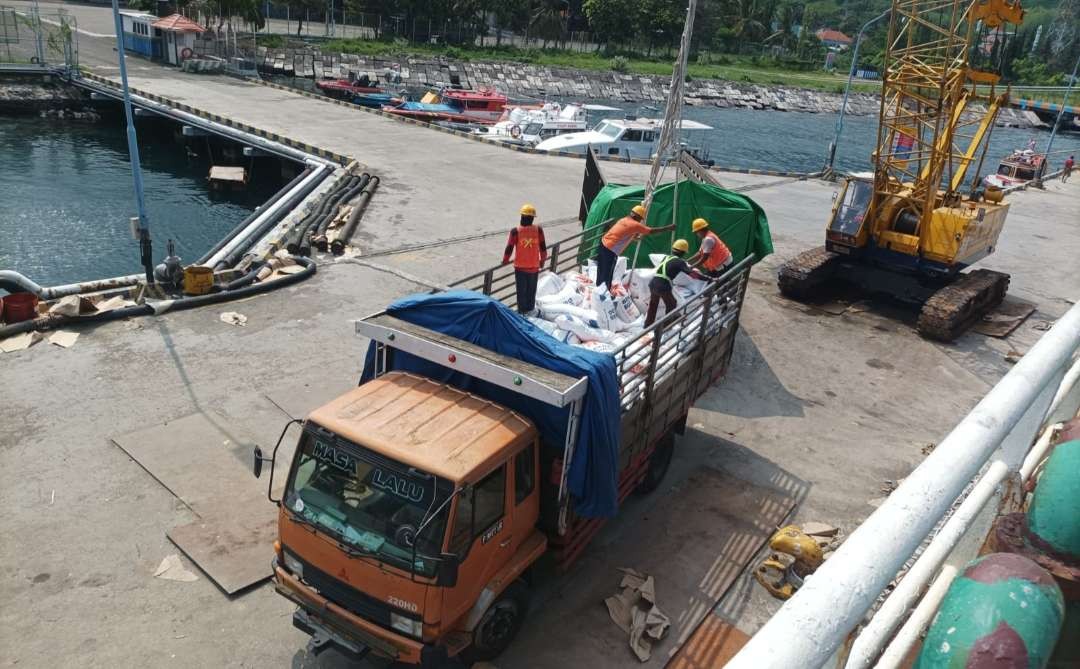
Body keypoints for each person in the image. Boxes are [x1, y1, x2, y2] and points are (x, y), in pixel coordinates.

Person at [596, 203, 675, 290]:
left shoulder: (624, 220)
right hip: (610, 249)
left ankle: (599, 289)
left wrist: (633, 237)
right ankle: (604, 292)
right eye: (640, 219)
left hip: (603, 243)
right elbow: (651, 231)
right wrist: (668, 228)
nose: (640, 221)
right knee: (607, 272)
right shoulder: (635, 224)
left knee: (601, 270)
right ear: (638, 217)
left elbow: (624, 232)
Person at [643, 239, 713, 327]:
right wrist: (708, 278)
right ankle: (665, 326)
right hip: (663, 285)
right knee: (672, 304)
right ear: (683, 253)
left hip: (653, 283)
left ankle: (647, 325)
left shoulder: (666, 258)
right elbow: (692, 274)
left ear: (673, 249)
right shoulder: (680, 262)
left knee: (653, 304)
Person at [502, 203, 548, 314]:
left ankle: (522, 314)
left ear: (522, 217)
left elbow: (509, 248)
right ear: (532, 218)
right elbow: (543, 250)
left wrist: (505, 260)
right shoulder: (539, 230)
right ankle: (530, 313)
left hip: (520, 268)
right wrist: (541, 261)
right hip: (534, 267)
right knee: (531, 293)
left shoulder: (515, 231)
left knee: (521, 294)